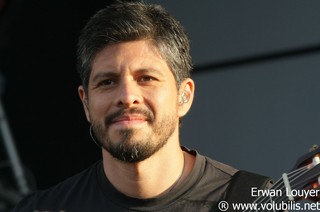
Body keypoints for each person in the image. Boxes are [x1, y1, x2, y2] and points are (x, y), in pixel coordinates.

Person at [11, 1, 272, 211]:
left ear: (184, 96)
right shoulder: (43, 208)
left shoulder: (250, 199)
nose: (127, 96)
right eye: (107, 82)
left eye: (146, 78)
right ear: (86, 104)